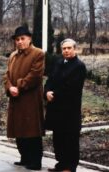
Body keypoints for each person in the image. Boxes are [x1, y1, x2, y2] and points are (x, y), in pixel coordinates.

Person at [4, 26, 45, 171]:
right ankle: (24, 157)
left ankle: (35, 161)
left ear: (29, 39)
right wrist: (10, 87)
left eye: (22, 39)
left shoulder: (37, 53)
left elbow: (35, 75)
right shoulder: (13, 56)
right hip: (15, 98)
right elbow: (6, 75)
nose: (19, 42)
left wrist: (18, 87)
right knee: (19, 130)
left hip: (30, 99)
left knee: (32, 130)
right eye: (17, 39)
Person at [44, 39, 87, 172]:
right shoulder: (58, 63)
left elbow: (71, 88)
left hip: (69, 110)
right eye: (64, 49)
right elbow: (50, 80)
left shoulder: (79, 66)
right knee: (59, 138)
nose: (66, 51)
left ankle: (70, 167)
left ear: (75, 49)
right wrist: (46, 92)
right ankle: (61, 164)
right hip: (56, 109)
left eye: (69, 48)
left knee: (70, 139)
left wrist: (54, 94)